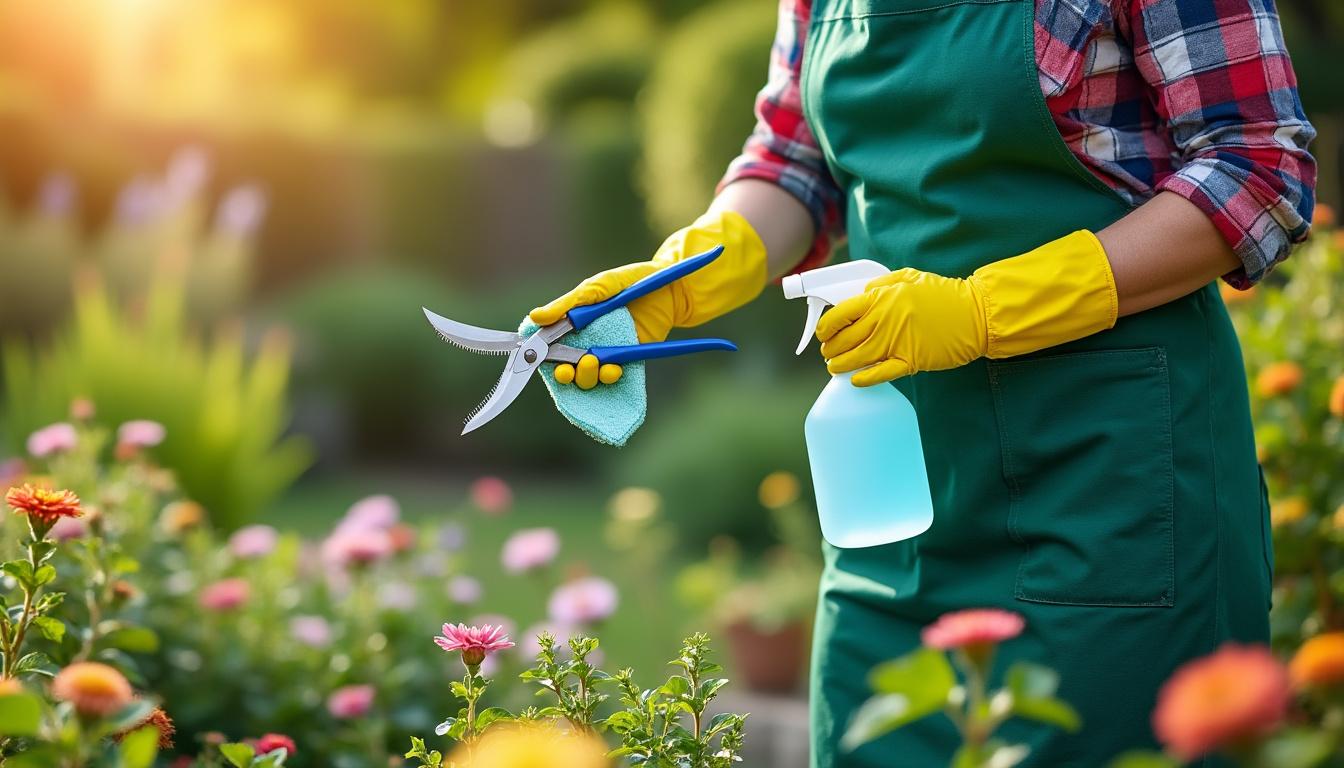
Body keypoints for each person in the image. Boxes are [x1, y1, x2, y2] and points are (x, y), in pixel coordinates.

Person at [529, 0, 1317, 764]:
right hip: (899, 493)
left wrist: (985, 309)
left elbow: (1257, 170)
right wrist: (694, 268)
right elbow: (795, 157)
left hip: (1115, 493)